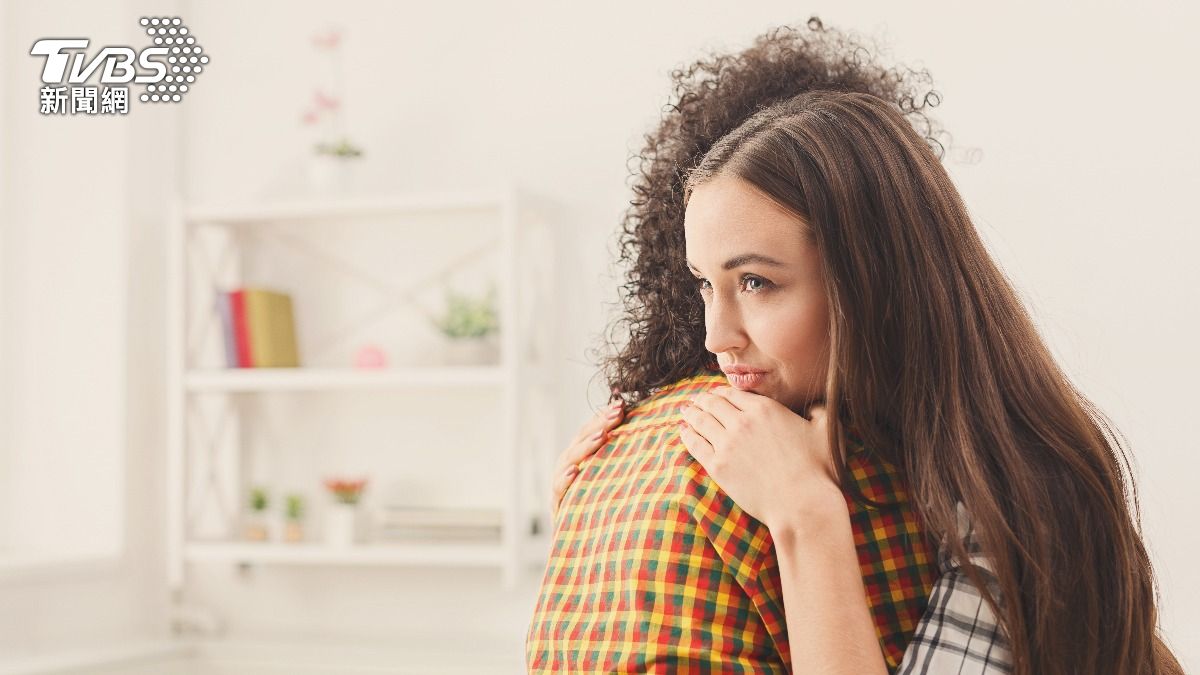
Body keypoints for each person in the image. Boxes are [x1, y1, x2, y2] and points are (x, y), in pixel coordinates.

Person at [534, 18, 1186, 675]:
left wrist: (807, 519)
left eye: (756, 281)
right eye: (705, 283)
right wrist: (593, 521)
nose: (715, 336)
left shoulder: (1015, 495)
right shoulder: (724, 453)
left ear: (869, 281)